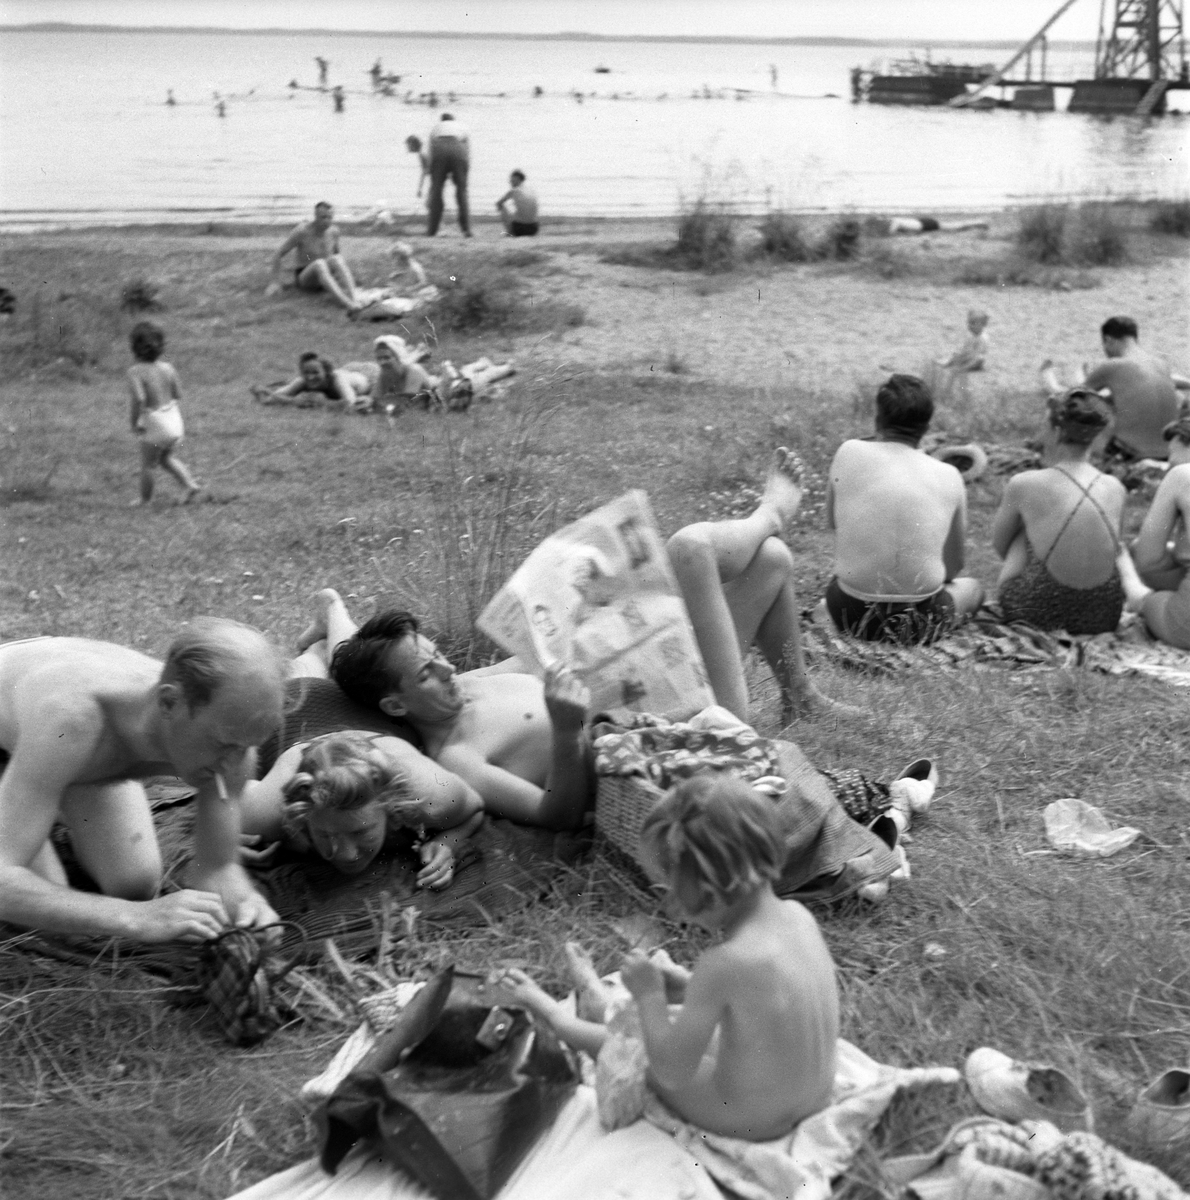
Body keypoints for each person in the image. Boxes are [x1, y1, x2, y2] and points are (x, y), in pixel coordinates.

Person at [498, 773, 839, 1140]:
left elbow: (671, 1070)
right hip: (813, 1097)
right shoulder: (799, 918)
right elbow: (762, 1004)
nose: (670, 906)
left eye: (672, 891)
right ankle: (599, 1003)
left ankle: (556, 1015)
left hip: (750, 1119)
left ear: (708, 890)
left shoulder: (724, 963)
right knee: (682, 1021)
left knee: (634, 1049)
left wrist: (650, 996)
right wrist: (687, 987)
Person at [0, 620, 286, 944]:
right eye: (224, 744)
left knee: (134, 883)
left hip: (55, 746)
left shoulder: (232, 735)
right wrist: (137, 918)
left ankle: (39, 797)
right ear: (168, 703)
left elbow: (217, 868)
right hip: (32, 724)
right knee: (49, 921)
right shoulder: (73, 721)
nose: (234, 765)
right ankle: (31, 800)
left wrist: (247, 905)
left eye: (246, 746)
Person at [825, 374, 984, 643]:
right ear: (926, 427)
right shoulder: (949, 475)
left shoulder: (848, 451)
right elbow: (954, 567)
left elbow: (832, 522)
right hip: (918, 621)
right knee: (974, 589)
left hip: (847, 611)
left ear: (878, 418)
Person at [241, 730, 483, 890]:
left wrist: (447, 842)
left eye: (360, 832)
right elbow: (220, 810)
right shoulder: (268, 813)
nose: (347, 854)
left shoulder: (431, 799)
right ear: (303, 818)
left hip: (374, 731)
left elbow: (476, 806)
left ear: (392, 810)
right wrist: (226, 848)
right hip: (302, 743)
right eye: (325, 835)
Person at [992, 389, 1132, 635]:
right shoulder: (1115, 487)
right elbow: (1114, 548)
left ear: (1056, 431)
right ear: (1096, 437)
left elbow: (1000, 544)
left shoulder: (1024, 483)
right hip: (1102, 615)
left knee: (1023, 534)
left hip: (1035, 612)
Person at [1041, 316, 1190, 461]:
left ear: (1108, 340)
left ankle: (1053, 384)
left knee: (1082, 405)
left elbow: (1074, 398)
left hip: (1129, 452)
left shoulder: (1112, 366)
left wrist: (1059, 392)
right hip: (1168, 452)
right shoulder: (1161, 364)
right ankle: (1069, 379)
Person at [1121, 416, 1190, 648]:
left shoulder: (1182, 474)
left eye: (1172, 453)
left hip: (1185, 627)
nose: (1169, 461)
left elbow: (1148, 558)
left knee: (1132, 553)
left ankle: (1136, 595)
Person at [126, 322, 201, 505]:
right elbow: (178, 394)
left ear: (134, 348)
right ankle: (189, 485)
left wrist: (134, 423)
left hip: (156, 423)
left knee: (148, 465)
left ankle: (145, 500)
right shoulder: (168, 368)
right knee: (166, 458)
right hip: (174, 420)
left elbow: (140, 399)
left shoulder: (135, 372)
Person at [266, 202, 360, 313]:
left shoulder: (334, 231)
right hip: (305, 277)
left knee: (337, 259)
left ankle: (355, 299)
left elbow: (337, 255)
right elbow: (278, 253)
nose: (327, 221)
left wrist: (343, 278)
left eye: (330, 218)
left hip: (326, 275)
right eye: (323, 217)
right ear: (315, 216)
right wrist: (274, 282)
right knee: (319, 263)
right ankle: (347, 303)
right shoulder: (302, 231)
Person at [251, 351, 380, 413]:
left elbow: (350, 404)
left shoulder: (337, 380)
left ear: (326, 372)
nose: (310, 377)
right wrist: (293, 402)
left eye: (315, 373)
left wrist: (322, 403)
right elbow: (272, 398)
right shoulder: (303, 380)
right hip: (348, 370)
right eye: (306, 373)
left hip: (369, 375)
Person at [425, 113, 472, 238]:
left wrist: (432, 170)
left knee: (437, 191)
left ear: (442, 120)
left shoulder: (436, 128)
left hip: (439, 149)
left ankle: (432, 230)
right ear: (453, 120)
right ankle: (466, 229)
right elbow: (467, 150)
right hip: (459, 149)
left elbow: (430, 151)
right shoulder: (461, 126)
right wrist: (463, 170)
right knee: (462, 191)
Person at [496, 170, 539, 237]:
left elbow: (499, 203)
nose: (510, 182)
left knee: (502, 206)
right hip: (534, 228)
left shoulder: (514, 190)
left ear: (518, 179)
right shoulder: (531, 190)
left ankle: (509, 232)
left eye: (512, 180)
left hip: (519, 229)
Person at [886, 216, 989, 234]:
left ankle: (979, 222)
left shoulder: (895, 221)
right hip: (923, 223)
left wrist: (889, 233)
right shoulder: (896, 221)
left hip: (925, 224)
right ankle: (978, 222)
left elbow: (895, 224)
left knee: (956, 227)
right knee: (955, 226)